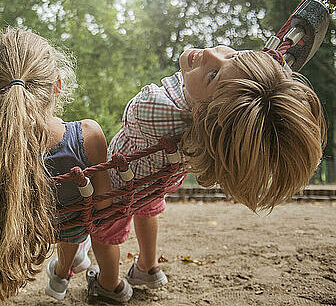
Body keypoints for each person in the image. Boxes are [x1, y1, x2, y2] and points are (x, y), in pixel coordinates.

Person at [100, 45, 325, 293]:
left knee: (105, 230)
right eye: (234, 54)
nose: (210, 53)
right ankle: (148, 267)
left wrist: (200, 81)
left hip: (121, 185)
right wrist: (237, 72)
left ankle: (109, 286)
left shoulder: (151, 109)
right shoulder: (204, 134)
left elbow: (137, 105)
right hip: (153, 183)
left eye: (213, 75)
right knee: (148, 210)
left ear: (200, 114)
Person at [0, 28, 132, 302]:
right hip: (72, 226)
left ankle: (69, 262)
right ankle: (72, 259)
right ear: (58, 84)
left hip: (29, 213)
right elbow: (103, 205)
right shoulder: (89, 135)